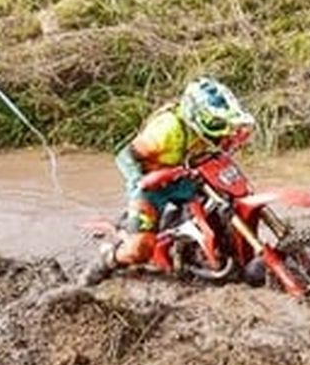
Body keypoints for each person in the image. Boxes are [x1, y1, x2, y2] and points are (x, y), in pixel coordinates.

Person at [86, 77, 256, 283]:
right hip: (153, 185)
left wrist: (234, 140)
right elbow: (125, 156)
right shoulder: (167, 129)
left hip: (186, 179)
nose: (224, 129)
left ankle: (219, 255)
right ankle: (104, 262)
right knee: (139, 249)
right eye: (218, 123)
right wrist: (141, 181)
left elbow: (219, 149)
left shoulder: (208, 131)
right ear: (198, 116)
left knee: (224, 207)